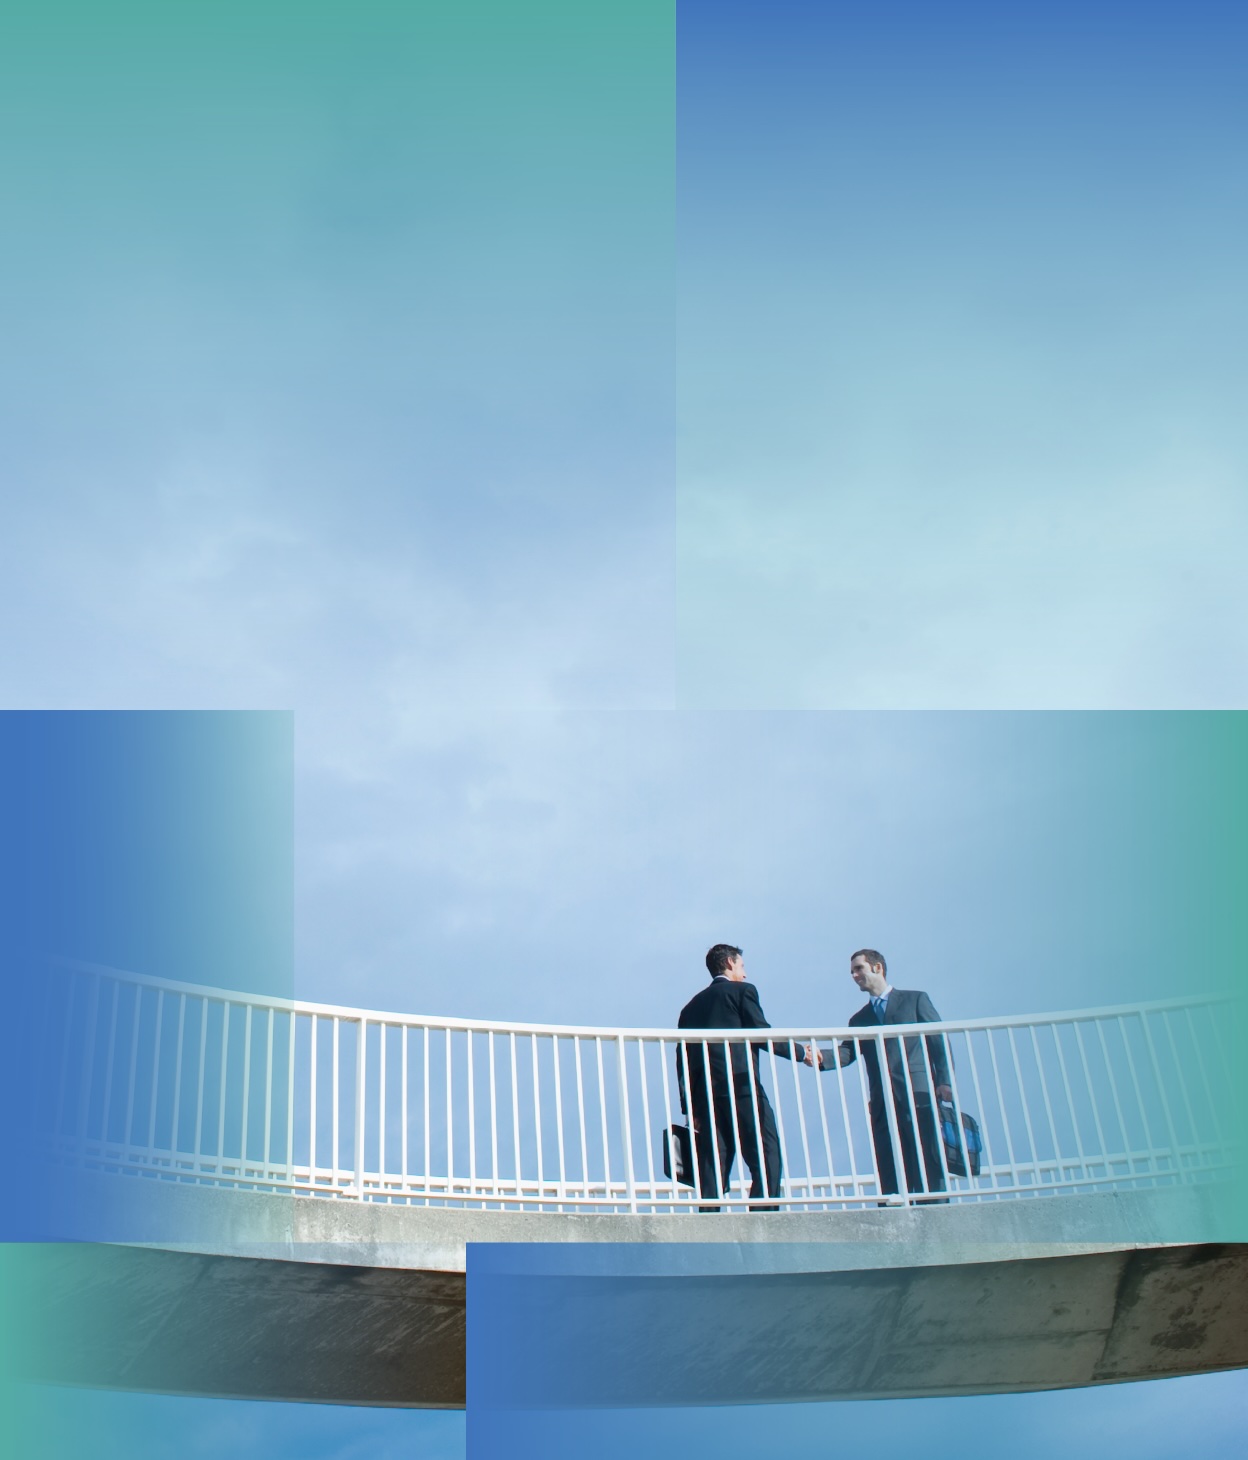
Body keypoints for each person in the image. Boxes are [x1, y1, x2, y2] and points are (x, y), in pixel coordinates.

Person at [806, 949, 952, 1201]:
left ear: (877, 968)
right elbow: (847, 1053)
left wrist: (943, 1081)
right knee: (890, 1161)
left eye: (858, 968)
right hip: (883, 1101)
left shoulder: (915, 1000)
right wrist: (821, 1057)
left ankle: (937, 1211)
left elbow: (938, 1041)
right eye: (852, 971)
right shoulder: (859, 1020)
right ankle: (895, 1214)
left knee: (928, 1156)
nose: (854, 975)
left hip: (918, 1093)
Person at [677, 944, 800, 1212]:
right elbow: (762, 1034)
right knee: (766, 1152)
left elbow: (682, 1059)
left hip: (705, 1095)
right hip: (741, 1085)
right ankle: (762, 1215)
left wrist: (690, 1107)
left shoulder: (689, 1008)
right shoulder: (743, 991)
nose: (744, 973)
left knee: (713, 1159)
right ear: (731, 963)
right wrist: (802, 1053)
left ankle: (709, 1219)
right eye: (742, 966)